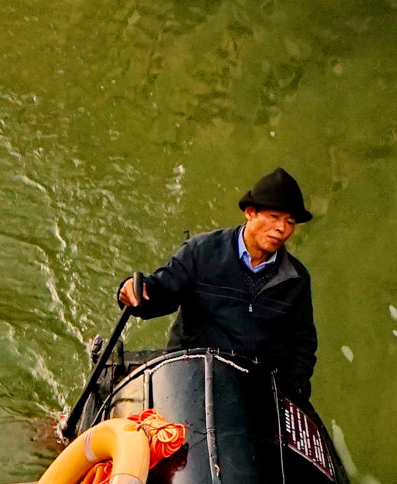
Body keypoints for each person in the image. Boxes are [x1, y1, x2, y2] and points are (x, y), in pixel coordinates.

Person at [116, 168, 319, 402]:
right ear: (250, 213)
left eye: (290, 222)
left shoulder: (296, 279)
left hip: (253, 385)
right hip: (191, 373)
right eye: (274, 217)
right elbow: (161, 293)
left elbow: (302, 347)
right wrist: (134, 290)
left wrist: (292, 395)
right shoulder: (202, 251)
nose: (282, 229)